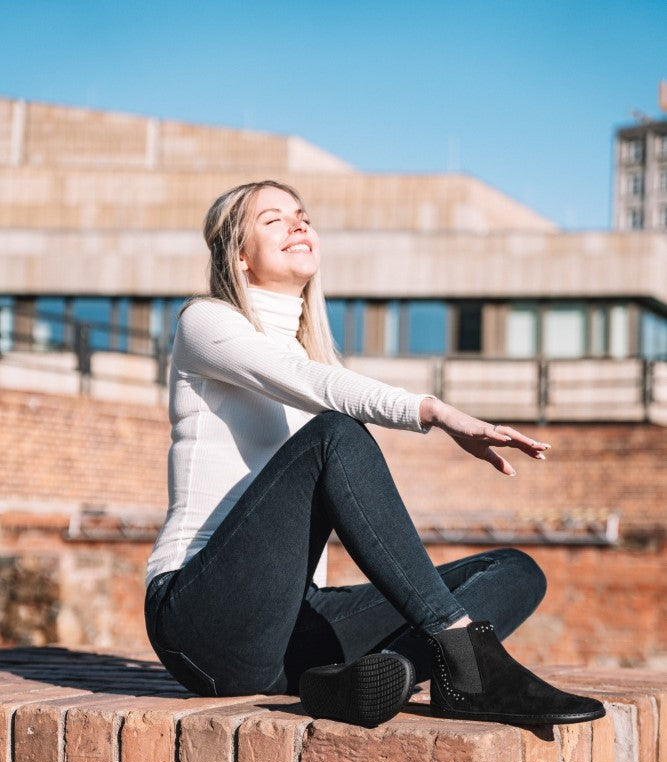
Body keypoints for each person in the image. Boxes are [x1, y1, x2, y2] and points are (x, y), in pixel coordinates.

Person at [144, 180, 604, 729]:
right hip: (200, 619)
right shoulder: (205, 323)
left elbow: (315, 375)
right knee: (338, 433)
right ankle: (467, 665)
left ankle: (392, 672)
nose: (298, 224)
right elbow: (308, 381)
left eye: (302, 215)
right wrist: (436, 412)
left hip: (288, 635)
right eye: (273, 220)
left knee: (514, 569)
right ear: (238, 256)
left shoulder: (310, 356)